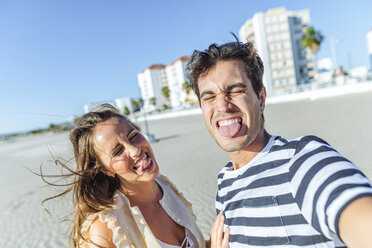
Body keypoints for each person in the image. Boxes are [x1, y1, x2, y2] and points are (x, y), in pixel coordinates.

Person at [186, 39, 372, 247]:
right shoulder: (225, 181)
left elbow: (358, 216)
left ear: (261, 98)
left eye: (236, 90)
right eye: (209, 97)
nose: (222, 105)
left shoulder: (300, 160)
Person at [41, 104, 205, 248]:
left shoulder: (166, 186)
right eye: (118, 151)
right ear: (105, 170)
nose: (135, 150)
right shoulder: (106, 230)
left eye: (133, 136)